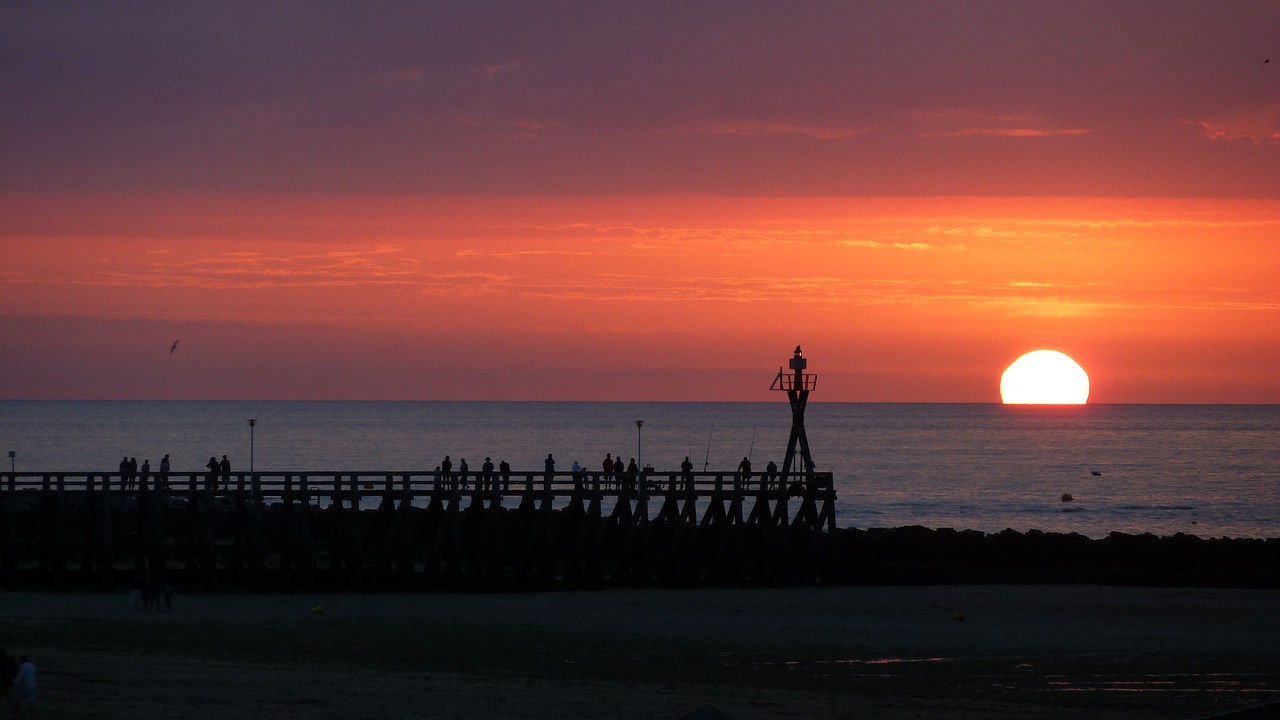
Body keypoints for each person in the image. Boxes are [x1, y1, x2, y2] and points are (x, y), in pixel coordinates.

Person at [11, 653, 35, 719]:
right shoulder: (31, 665)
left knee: (18, 701)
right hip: (33, 685)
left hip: (25, 686)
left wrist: (13, 682)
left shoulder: (23, 666)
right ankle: (33, 716)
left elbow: (20, 677)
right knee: (31, 702)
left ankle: (14, 715)